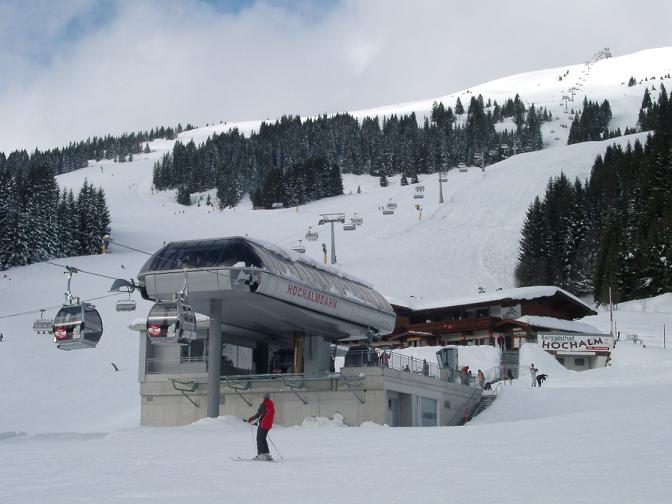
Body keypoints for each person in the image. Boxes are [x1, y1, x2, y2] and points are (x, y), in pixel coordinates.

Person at [246, 392, 275, 461]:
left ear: (264, 397)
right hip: (268, 425)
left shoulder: (264, 405)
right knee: (263, 438)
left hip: (263, 424)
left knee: (259, 438)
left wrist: (251, 419)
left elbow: (258, 415)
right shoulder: (271, 405)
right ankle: (266, 454)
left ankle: (261, 455)